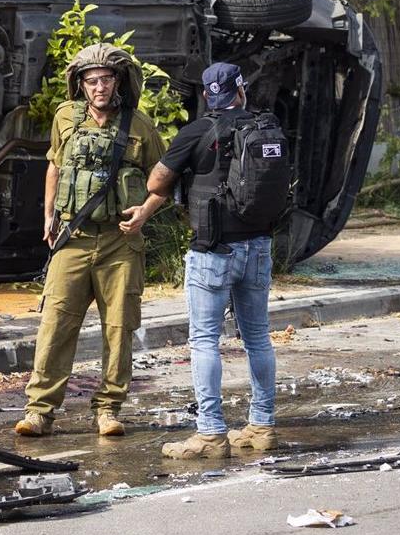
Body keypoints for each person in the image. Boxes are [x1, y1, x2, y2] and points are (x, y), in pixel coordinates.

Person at [15, 43, 167, 438]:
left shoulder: (140, 126)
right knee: (55, 324)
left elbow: (165, 180)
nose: (99, 87)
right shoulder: (65, 117)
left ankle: (108, 409)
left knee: (119, 328)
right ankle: (40, 411)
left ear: (118, 82)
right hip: (73, 237)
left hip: (120, 242)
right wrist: (48, 215)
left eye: (106, 79)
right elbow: (54, 165)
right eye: (91, 81)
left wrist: (145, 212)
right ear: (81, 85)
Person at [145, 62, 287, 459]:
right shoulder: (265, 125)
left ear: (209, 95)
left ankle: (210, 432)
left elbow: (157, 182)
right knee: (257, 337)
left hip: (213, 250)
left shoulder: (197, 131)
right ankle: (262, 426)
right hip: (258, 245)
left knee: (205, 339)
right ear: (241, 91)